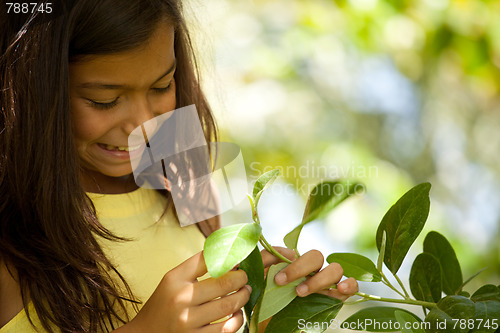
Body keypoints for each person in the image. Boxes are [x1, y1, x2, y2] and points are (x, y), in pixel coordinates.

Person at [0, 1, 359, 332]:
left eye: (161, 86)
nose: (145, 124)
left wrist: (274, 313)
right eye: (104, 101)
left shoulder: (179, 164)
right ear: (33, 88)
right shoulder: (12, 227)